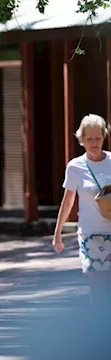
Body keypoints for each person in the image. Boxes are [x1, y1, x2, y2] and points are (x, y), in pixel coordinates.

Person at [54, 113, 111, 310]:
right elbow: (68, 200)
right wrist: (57, 233)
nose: (94, 143)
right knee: (97, 285)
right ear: (81, 139)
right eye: (89, 139)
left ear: (104, 137)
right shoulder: (75, 167)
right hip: (89, 234)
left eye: (98, 138)